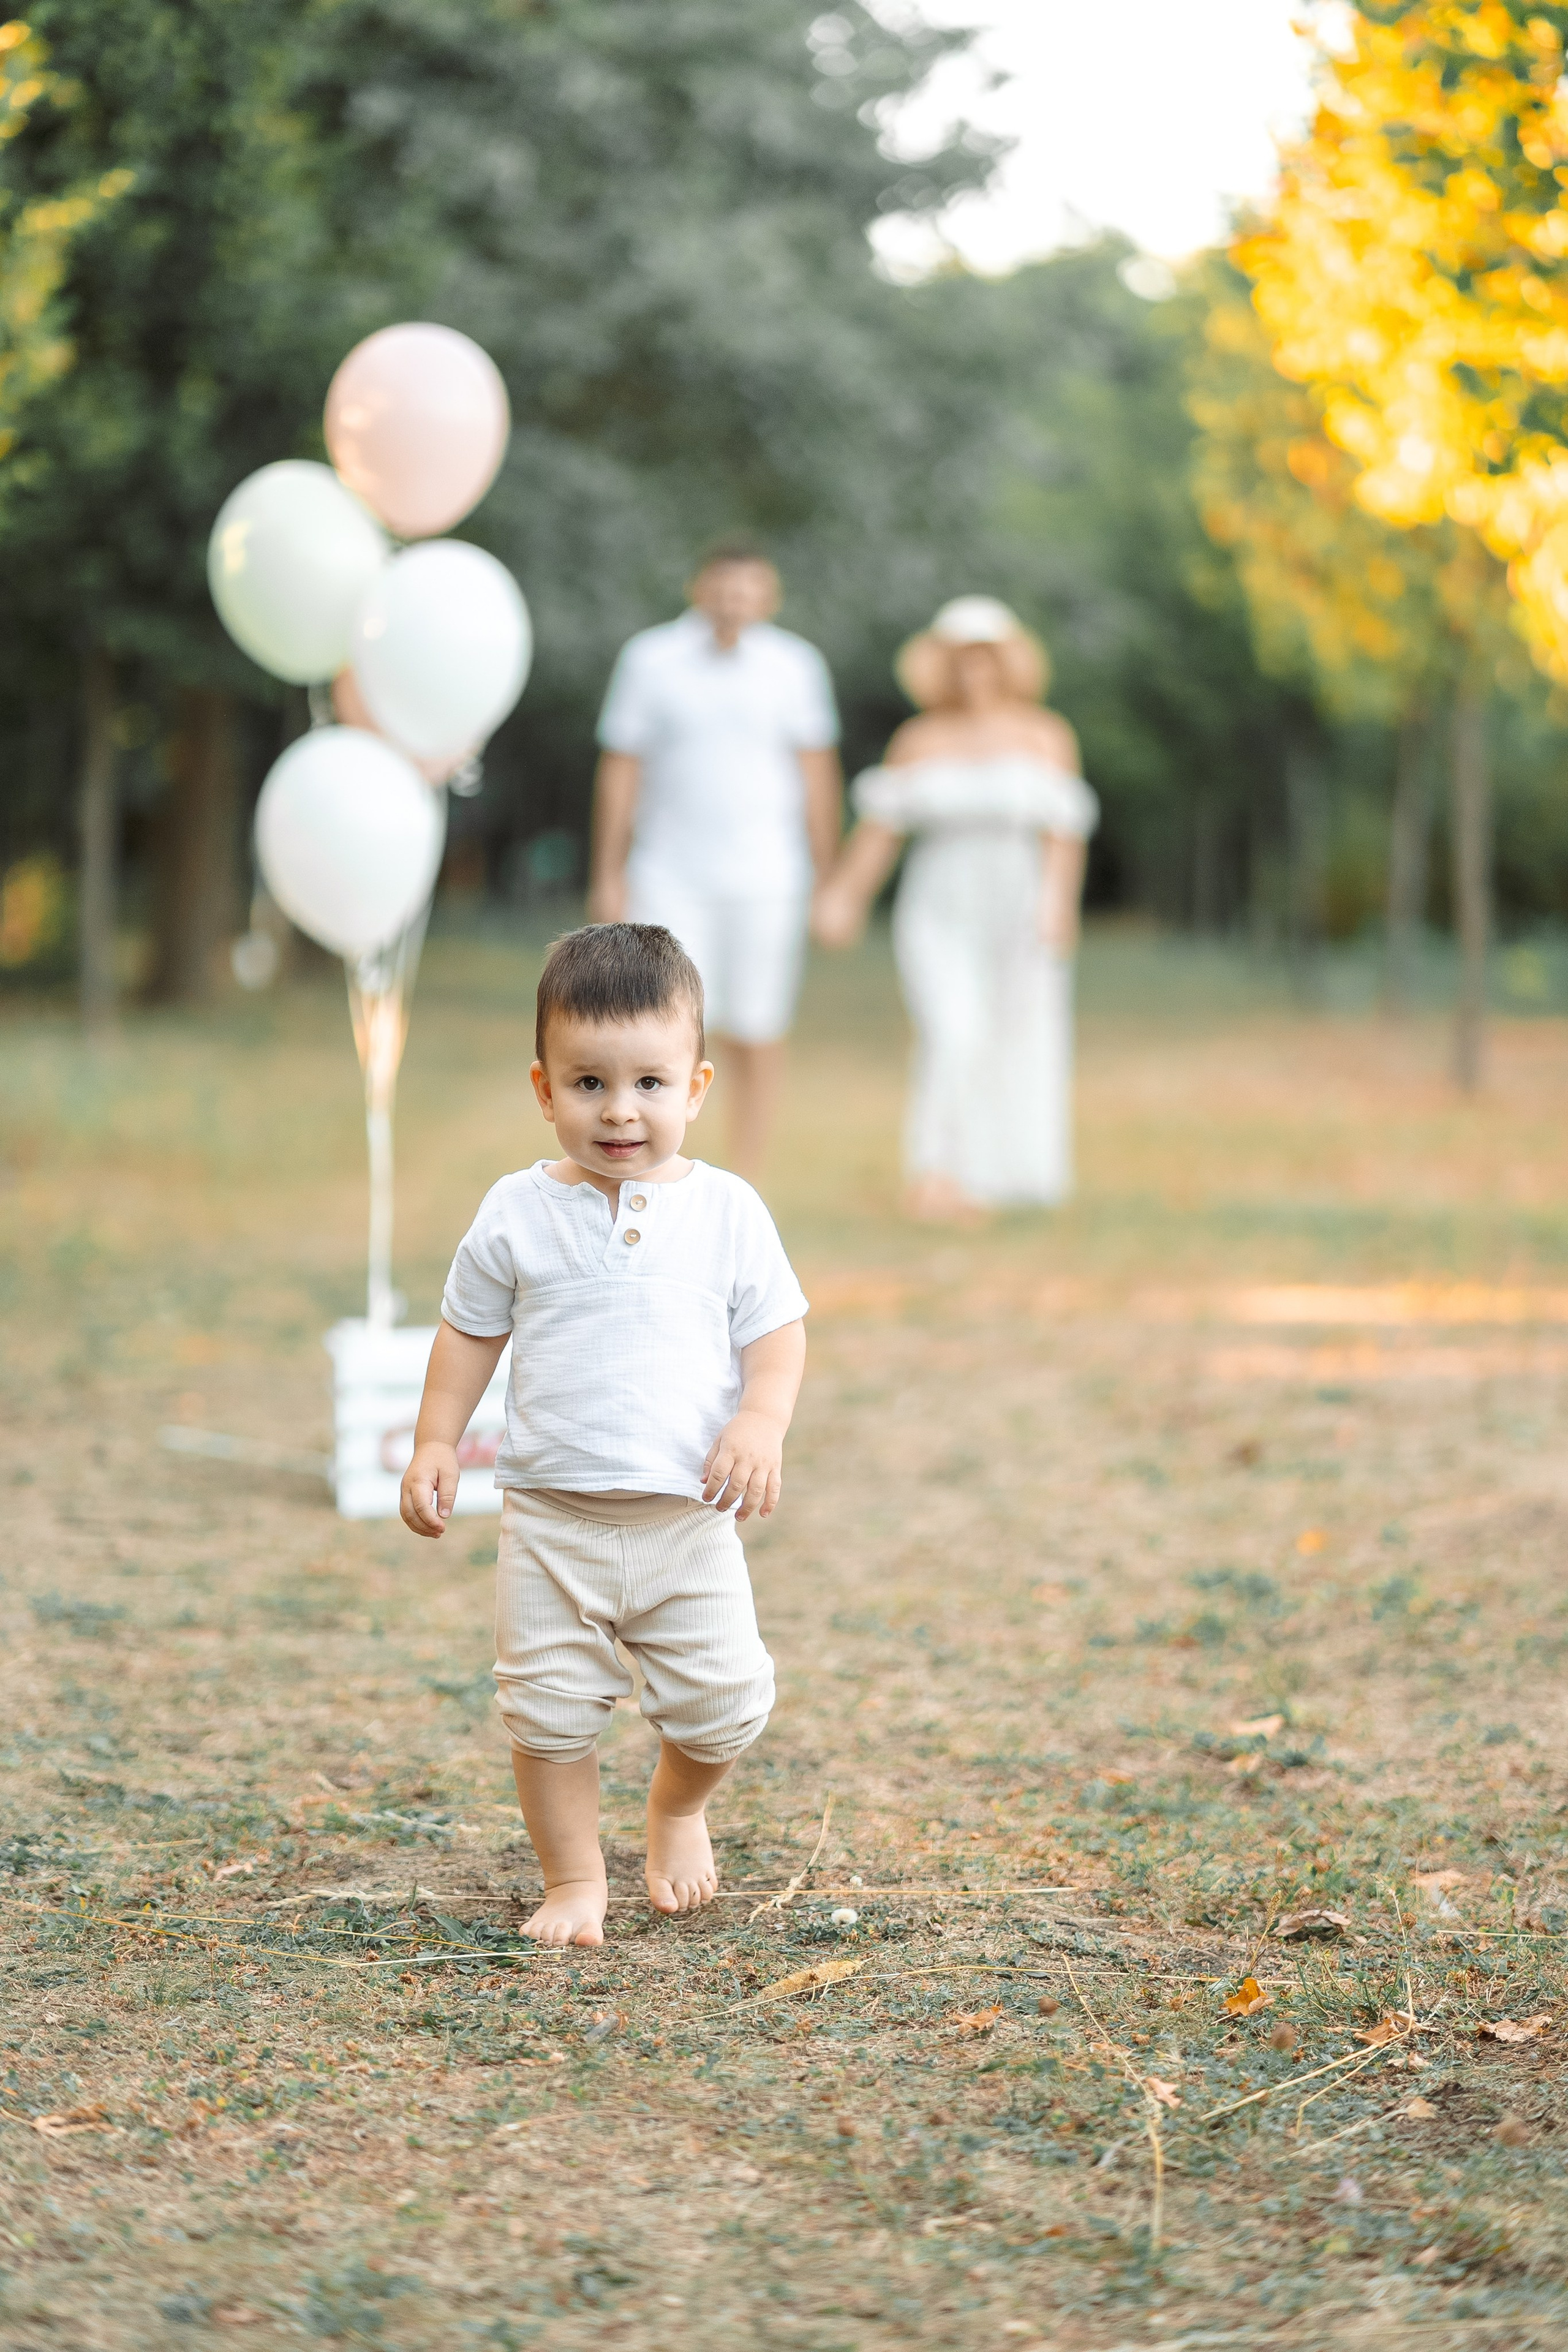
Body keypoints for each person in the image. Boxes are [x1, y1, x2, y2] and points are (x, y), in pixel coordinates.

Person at [399, 923, 809, 1949]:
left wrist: (760, 1420)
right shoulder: (515, 1213)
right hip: (553, 1524)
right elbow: (467, 1334)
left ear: (697, 1088)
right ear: (545, 1090)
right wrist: (437, 1441)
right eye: (590, 1083)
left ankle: (676, 1806)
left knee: (727, 1703)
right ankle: (575, 1878)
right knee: (546, 1717)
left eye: (649, 1084)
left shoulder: (728, 1212)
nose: (621, 1109)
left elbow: (776, 1333)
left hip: (687, 1521)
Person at [812, 596, 1098, 1221]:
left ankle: (1003, 1172)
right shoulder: (919, 740)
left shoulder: (1045, 735)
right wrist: (844, 897)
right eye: (962, 660)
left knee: (1017, 1033)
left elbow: (1064, 832)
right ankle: (936, 1173)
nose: (975, 673)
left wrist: (1058, 904)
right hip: (939, 904)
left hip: (1019, 902)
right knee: (953, 1030)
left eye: (986, 659)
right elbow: (881, 831)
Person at [588, 541, 842, 1180]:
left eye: (749, 589)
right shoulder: (650, 660)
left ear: (768, 597)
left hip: (769, 876)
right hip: (668, 874)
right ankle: (662, 1164)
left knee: (758, 1026)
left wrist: (829, 878)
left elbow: (817, 773)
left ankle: (746, 1172)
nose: (734, 600)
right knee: (663, 1026)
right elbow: (621, 768)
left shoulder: (795, 666)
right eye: (724, 587)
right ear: (699, 588)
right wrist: (608, 873)